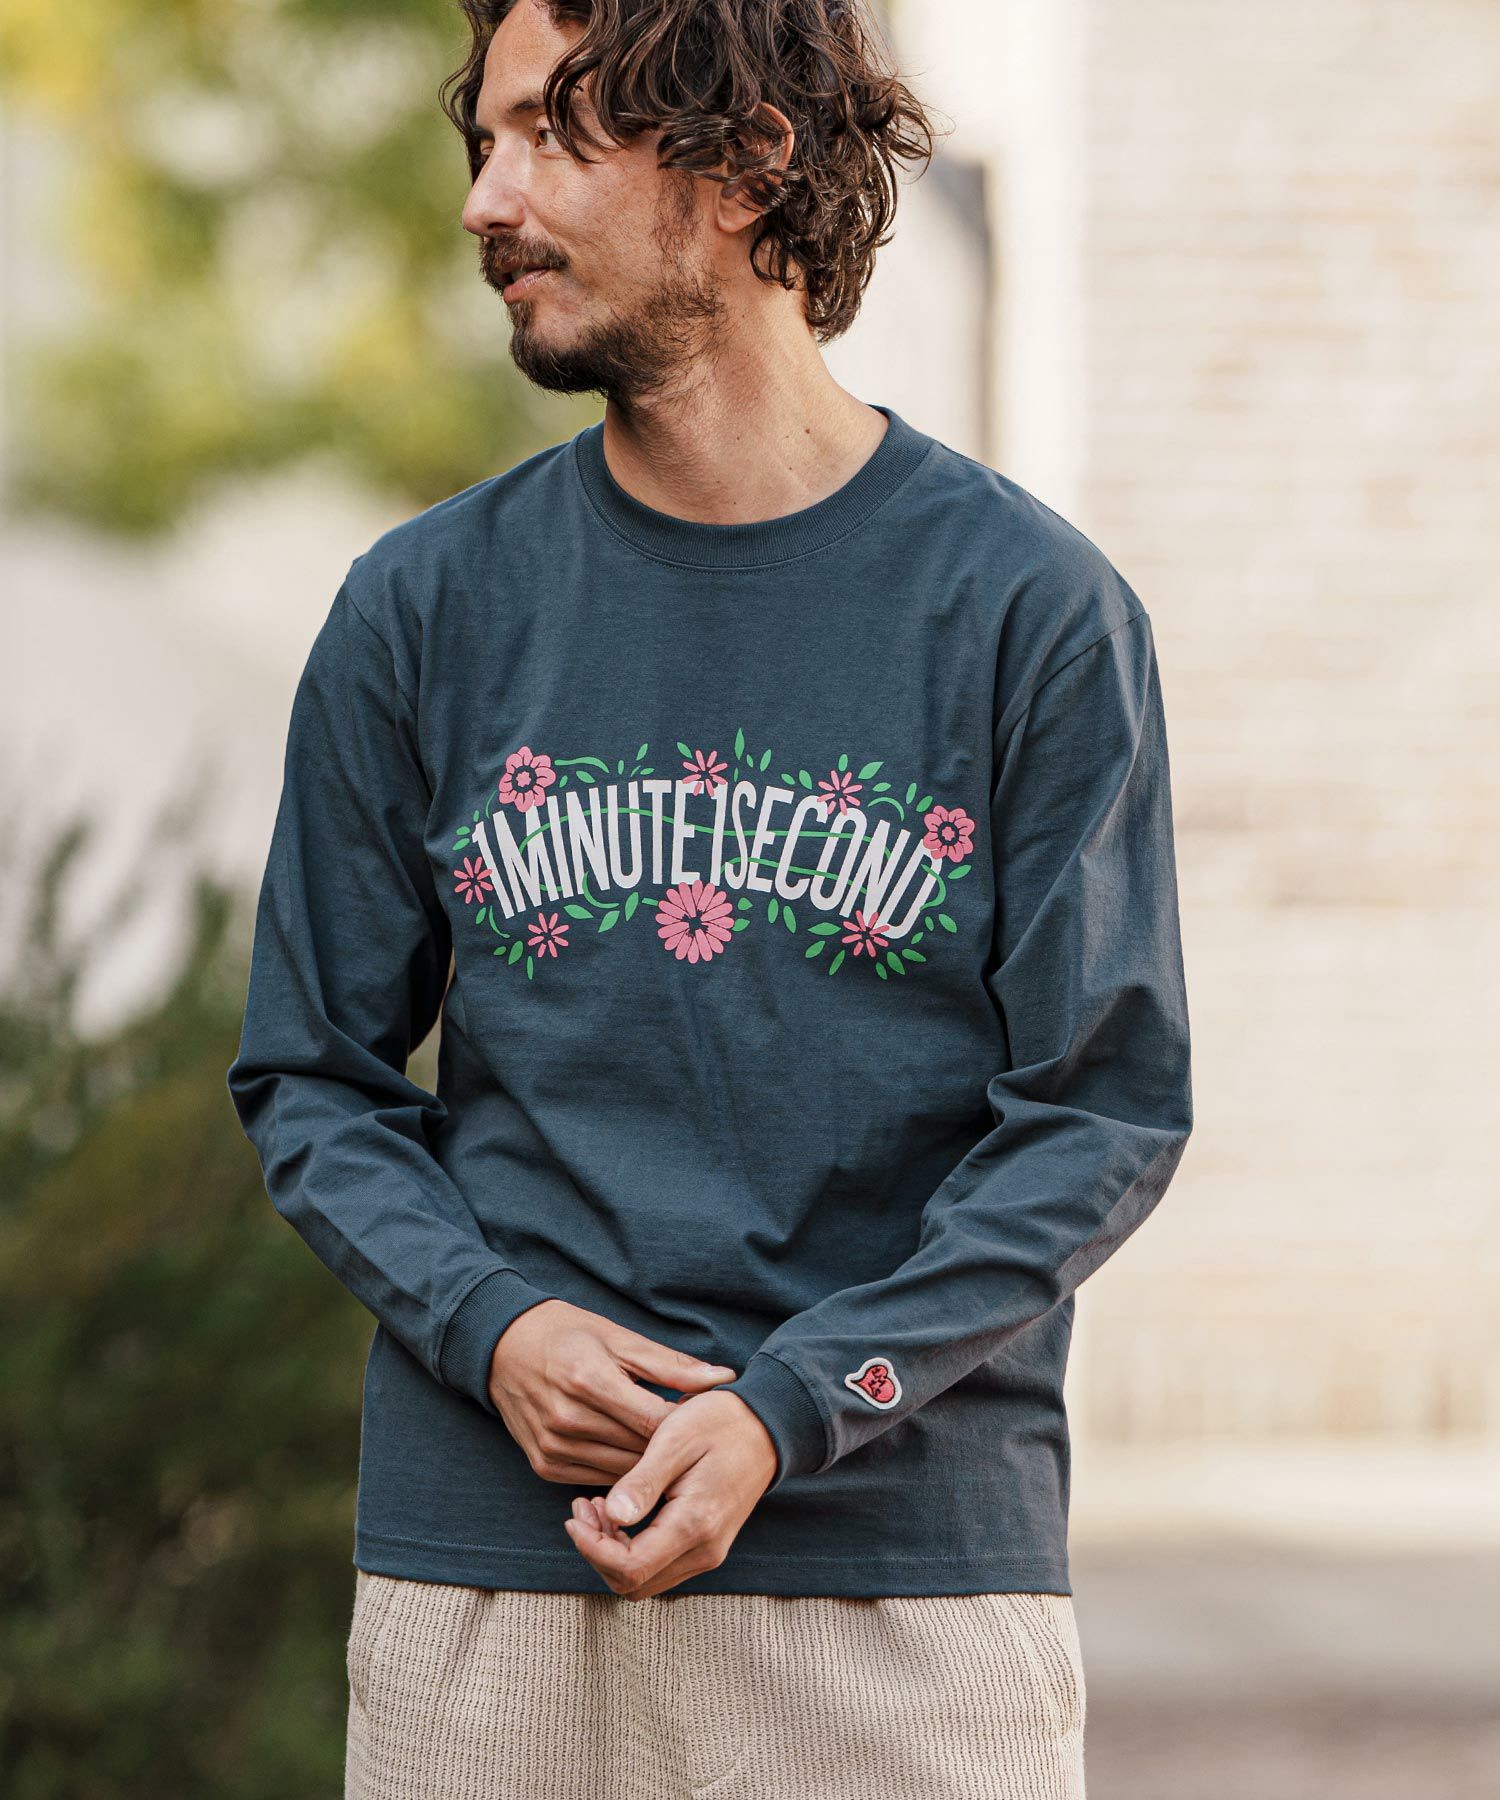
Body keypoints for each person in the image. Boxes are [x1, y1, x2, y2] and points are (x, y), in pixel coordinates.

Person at [225, 1, 1193, 1794]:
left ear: (748, 161)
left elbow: (1102, 1111)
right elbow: (310, 1075)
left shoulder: (1029, 614)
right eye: (483, 142)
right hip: (489, 1587)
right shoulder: (422, 611)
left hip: (903, 1597)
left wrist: (797, 1409)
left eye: (551, 134)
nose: (486, 199)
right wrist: (491, 1326)